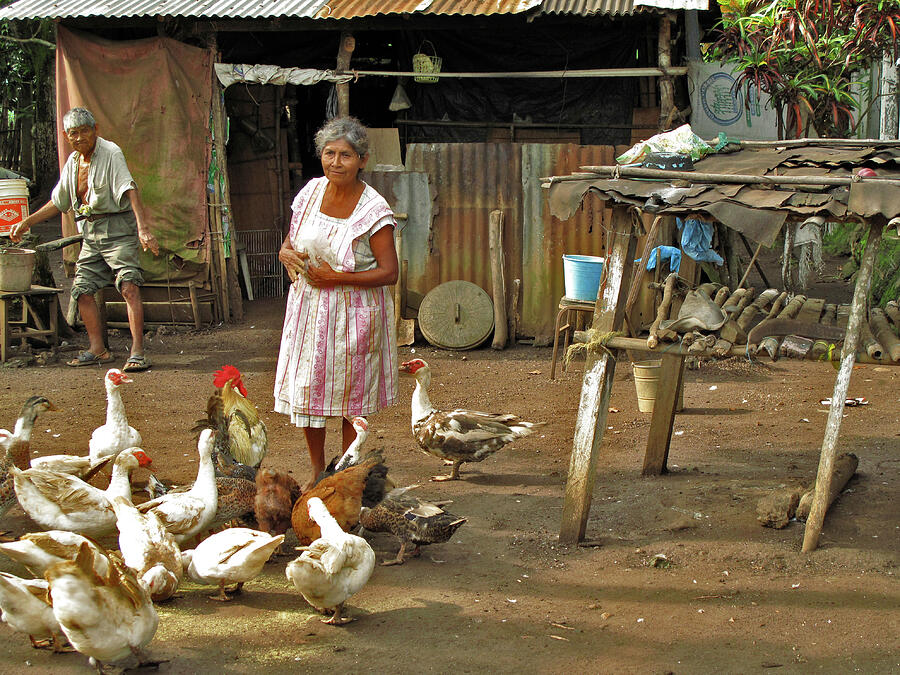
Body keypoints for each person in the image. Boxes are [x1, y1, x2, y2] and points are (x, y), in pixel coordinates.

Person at [274, 116, 399, 491]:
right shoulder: (310, 193)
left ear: (362, 160)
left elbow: (389, 272)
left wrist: (337, 277)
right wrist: (284, 253)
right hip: (309, 310)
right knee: (309, 389)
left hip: (353, 313)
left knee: (350, 394)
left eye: (346, 155)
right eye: (329, 153)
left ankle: (344, 474)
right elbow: (292, 242)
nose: (336, 162)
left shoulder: (374, 209)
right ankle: (316, 470)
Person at [10, 107, 158, 371]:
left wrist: (142, 229)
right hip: (91, 234)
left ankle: (137, 352)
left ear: (95, 130)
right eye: (73, 134)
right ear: (67, 137)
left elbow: (130, 189)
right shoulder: (73, 162)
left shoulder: (111, 152)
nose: (79, 138)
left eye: (84, 132)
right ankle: (98, 349)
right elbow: (58, 202)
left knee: (128, 285)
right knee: (81, 290)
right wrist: (26, 222)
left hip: (118, 230)